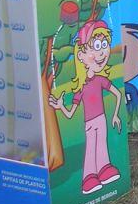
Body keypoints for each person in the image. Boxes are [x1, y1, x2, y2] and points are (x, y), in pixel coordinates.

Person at [48, 20, 123, 195]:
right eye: (96, 46)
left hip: (101, 119)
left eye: (104, 45)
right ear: (81, 55)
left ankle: (104, 168)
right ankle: (89, 177)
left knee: (102, 144)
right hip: (89, 123)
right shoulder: (80, 88)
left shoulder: (101, 80)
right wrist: (60, 106)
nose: (102, 52)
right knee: (91, 147)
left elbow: (117, 94)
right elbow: (70, 114)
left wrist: (116, 115)